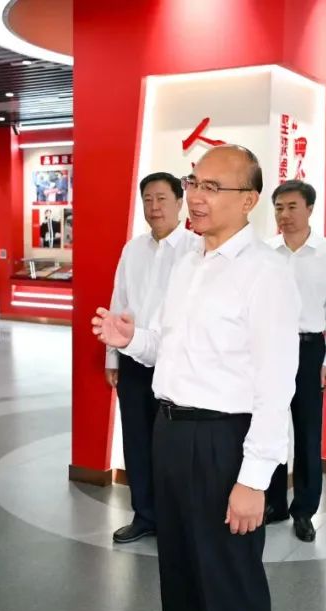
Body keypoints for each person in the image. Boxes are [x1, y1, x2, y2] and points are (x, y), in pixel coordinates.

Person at [93, 145, 299, 611]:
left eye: (213, 186)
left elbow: (276, 385)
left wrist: (254, 479)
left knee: (230, 583)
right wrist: (133, 340)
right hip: (171, 431)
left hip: (224, 441)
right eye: (194, 182)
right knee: (180, 572)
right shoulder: (188, 261)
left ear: (249, 200)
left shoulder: (266, 273)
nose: (197, 196)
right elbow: (170, 347)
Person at [105, 171, 193, 544]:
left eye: (162, 199)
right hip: (132, 358)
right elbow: (119, 300)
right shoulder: (133, 249)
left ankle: (174, 521)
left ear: (179, 202)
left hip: (176, 363)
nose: (154, 207)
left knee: (174, 445)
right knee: (137, 440)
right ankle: (144, 515)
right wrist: (112, 357)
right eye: (147, 200)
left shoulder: (195, 249)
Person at [264, 180, 326, 543]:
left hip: (310, 349)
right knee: (270, 427)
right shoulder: (266, 251)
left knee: (308, 432)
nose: (284, 214)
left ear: (310, 208)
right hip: (271, 349)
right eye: (279, 207)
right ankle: (273, 503)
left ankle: (304, 511)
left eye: (292, 207)